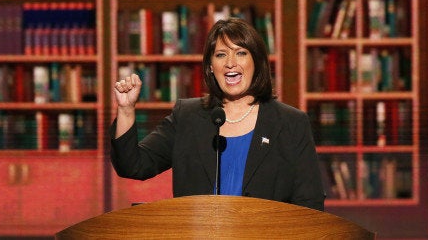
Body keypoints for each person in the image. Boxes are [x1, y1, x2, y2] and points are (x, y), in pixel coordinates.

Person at [109, 17, 325, 211]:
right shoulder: (187, 117)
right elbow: (133, 165)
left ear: (256, 63)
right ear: (211, 66)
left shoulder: (290, 123)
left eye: (241, 53)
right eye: (221, 54)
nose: (230, 63)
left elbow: (310, 204)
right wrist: (126, 110)